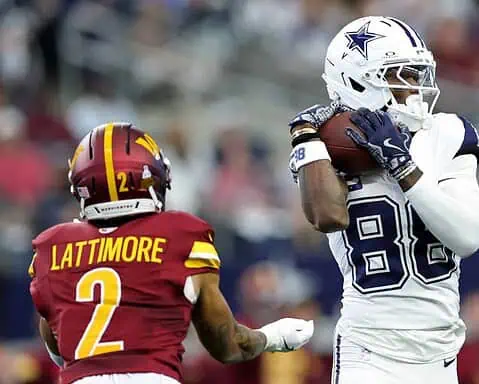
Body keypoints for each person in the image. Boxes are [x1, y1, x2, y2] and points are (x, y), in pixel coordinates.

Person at [29, 122, 314, 384]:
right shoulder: (180, 234)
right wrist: (273, 337)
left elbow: (58, 348)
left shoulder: (52, 246)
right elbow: (227, 345)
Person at [288, 16, 479, 384]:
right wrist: (307, 143)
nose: (414, 87)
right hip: (368, 348)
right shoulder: (325, 144)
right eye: (400, 75)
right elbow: (326, 216)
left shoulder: (448, 132)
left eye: (417, 74)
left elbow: (466, 236)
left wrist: (400, 163)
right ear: (357, 80)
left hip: (440, 349)